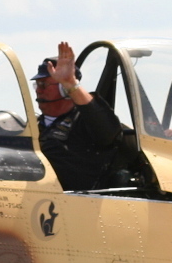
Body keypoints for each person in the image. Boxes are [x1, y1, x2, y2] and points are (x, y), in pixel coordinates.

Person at [33, 42, 123, 191]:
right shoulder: (33, 127)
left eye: (43, 85)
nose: (38, 91)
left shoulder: (85, 123)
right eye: (37, 85)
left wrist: (70, 83)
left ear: (64, 90)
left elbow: (108, 132)